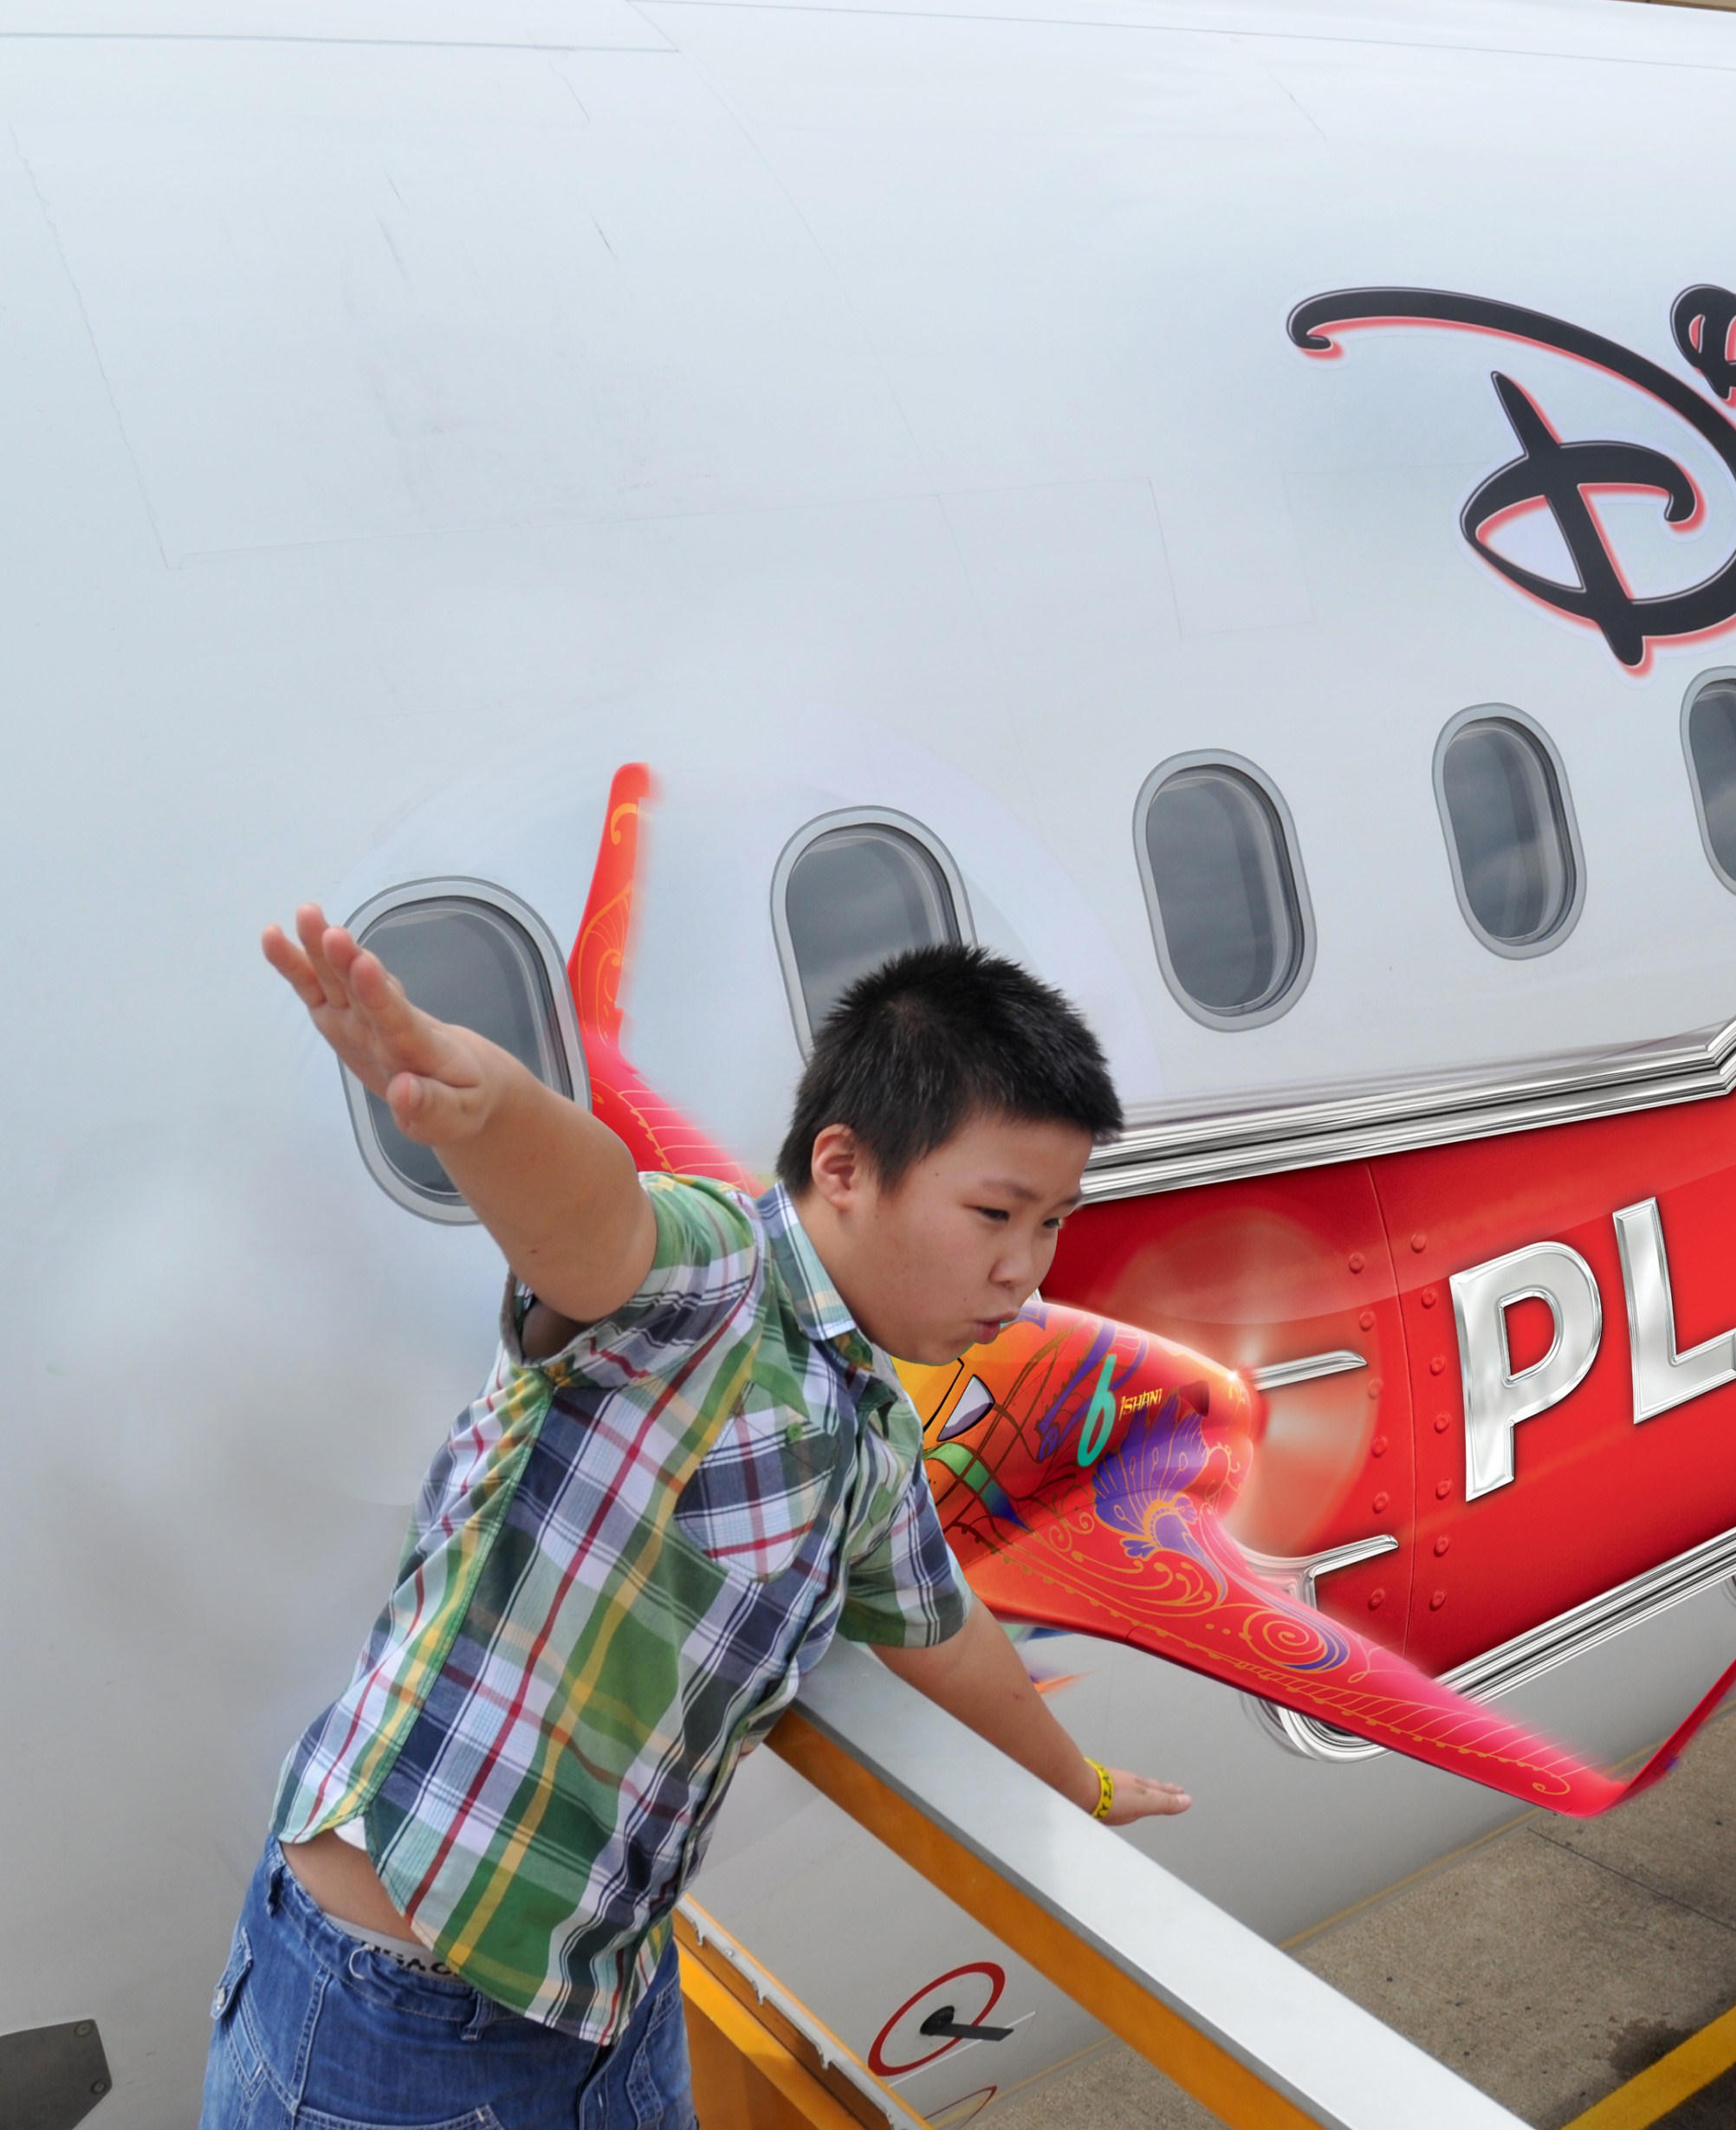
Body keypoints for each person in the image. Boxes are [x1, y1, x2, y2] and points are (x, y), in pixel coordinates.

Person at [206, 909, 1188, 2130]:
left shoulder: (873, 1432)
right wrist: (488, 1112)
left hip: (599, 1992)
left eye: (1051, 1222)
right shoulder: (715, 1276)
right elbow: (597, 1221)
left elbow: (950, 1641)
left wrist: (1081, 1787)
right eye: (996, 1213)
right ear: (843, 1167)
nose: (1023, 1270)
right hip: (395, 2001)